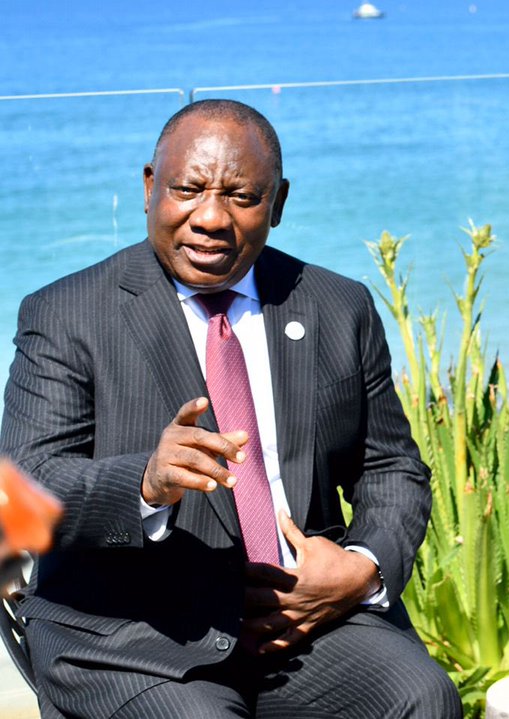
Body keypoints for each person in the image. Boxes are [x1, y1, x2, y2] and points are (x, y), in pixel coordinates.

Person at [0, 99, 462, 718]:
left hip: (303, 621)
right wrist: (144, 482)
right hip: (133, 637)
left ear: (278, 202)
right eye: (188, 190)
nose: (211, 218)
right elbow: (26, 496)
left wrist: (362, 569)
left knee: (421, 697)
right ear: (149, 188)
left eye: (242, 197)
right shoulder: (68, 314)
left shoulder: (336, 306)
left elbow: (392, 470)